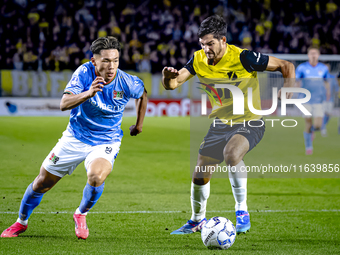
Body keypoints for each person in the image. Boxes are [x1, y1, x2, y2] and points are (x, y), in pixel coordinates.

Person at [1, 36, 147, 239]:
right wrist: (88, 93)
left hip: (107, 140)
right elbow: (64, 103)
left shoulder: (127, 81)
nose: (111, 66)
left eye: (115, 60)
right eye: (105, 60)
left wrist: (138, 125)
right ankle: (21, 222)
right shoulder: (84, 73)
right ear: (94, 60)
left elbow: (142, 94)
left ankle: (80, 214)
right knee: (42, 182)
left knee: (96, 177)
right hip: (75, 137)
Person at [162, 15, 295, 235]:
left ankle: (242, 211)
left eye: (210, 44)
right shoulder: (198, 59)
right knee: (200, 173)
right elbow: (173, 84)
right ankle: (196, 221)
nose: (206, 49)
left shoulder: (244, 57)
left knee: (232, 154)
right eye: (202, 44)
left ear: (223, 40)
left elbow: (286, 65)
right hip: (221, 123)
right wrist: (168, 77)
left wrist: (288, 87)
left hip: (250, 121)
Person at [296, 47, 330, 154]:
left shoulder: (323, 68)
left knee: (318, 125)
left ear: (319, 55)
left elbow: (326, 81)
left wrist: (328, 92)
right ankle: (309, 147)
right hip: (305, 100)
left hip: (318, 100)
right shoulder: (302, 67)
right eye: (311, 53)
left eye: (315, 53)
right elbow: (296, 81)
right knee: (308, 122)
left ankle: (312, 131)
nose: (313, 55)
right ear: (308, 55)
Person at [321, 64, 339, 137]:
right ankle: (323, 129)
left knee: (329, 115)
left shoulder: (332, 77)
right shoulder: (321, 77)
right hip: (322, 99)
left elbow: (336, 86)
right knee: (324, 114)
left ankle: (321, 126)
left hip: (330, 99)